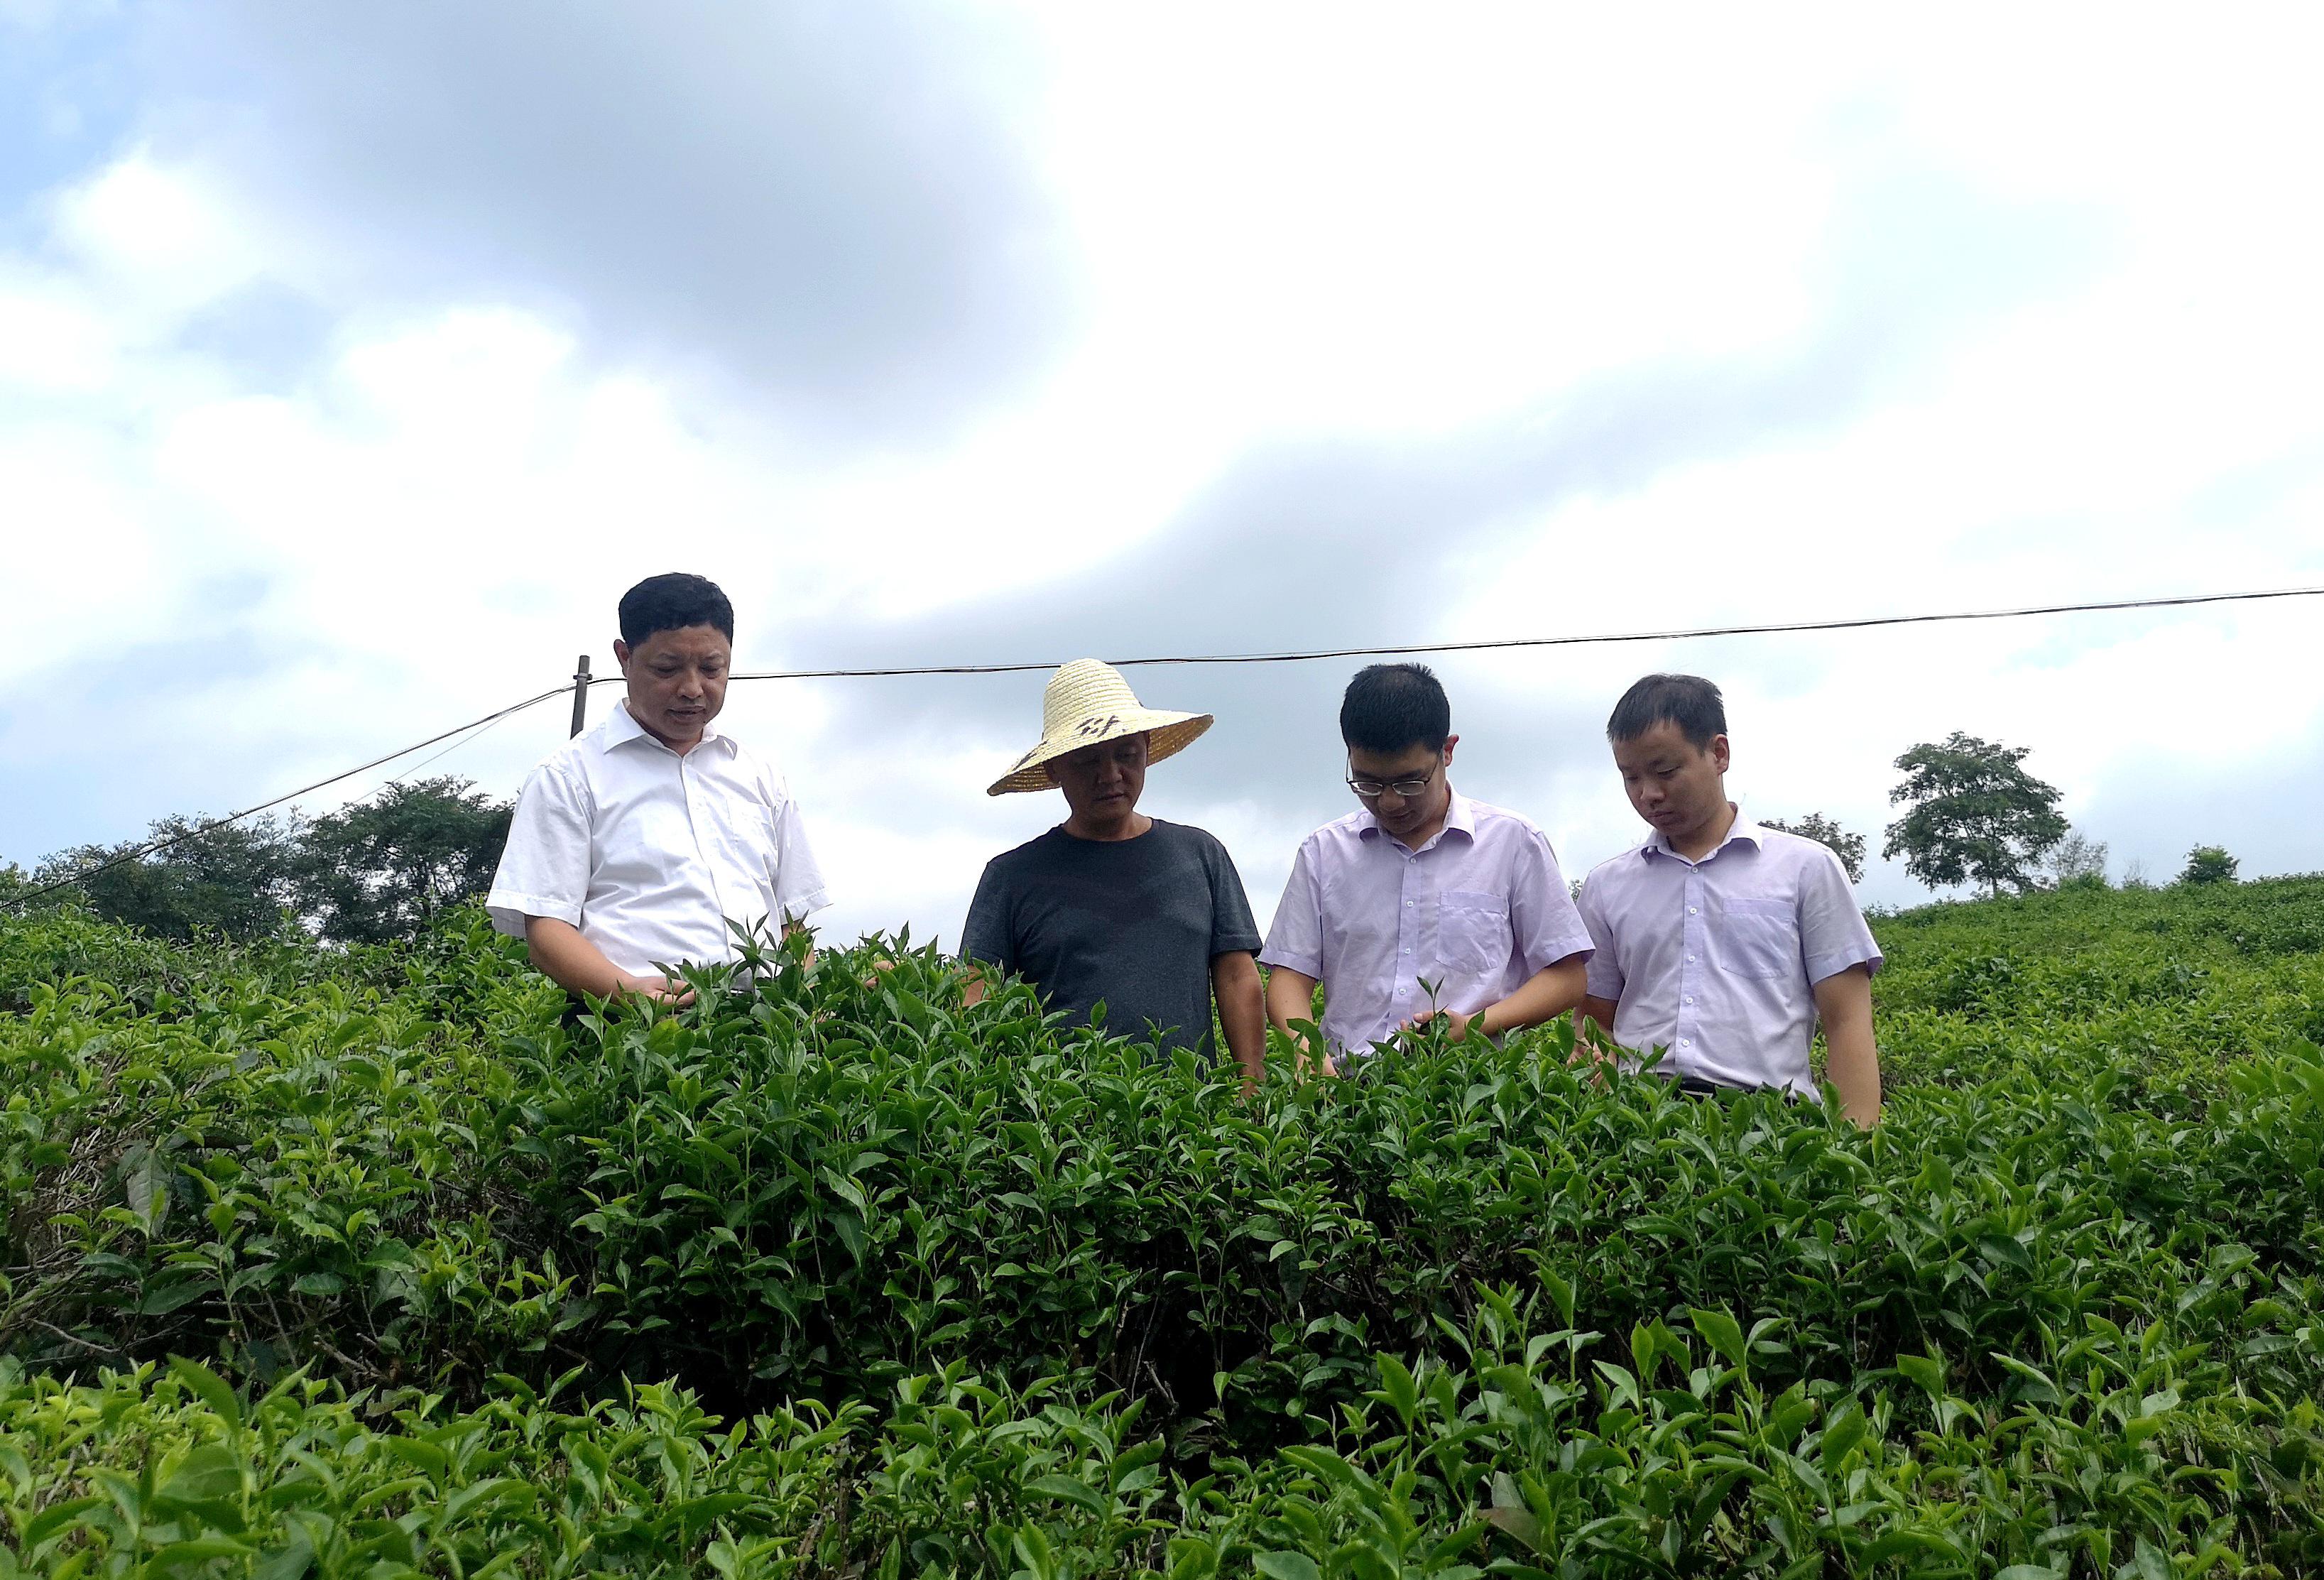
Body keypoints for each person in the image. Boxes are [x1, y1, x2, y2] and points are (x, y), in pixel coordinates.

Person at [487, 572, 829, 1008]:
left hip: (764, 1030)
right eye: (666, 669)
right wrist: (623, 990)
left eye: (711, 668)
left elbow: (791, 920)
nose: (692, 689)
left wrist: (804, 1004)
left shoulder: (759, 775)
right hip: (634, 1033)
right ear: (624, 658)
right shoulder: (569, 776)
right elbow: (546, 928)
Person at [1575, 673, 1883, 1125]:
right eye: (1631, 777)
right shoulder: (1606, 885)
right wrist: (1593, 1128)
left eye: (1665, 772)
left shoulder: (1805, 869)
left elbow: (1847, 1020)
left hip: (1770, 1123)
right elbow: (1595, 1024)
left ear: (1718, 753)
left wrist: (1857, 1148)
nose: (1649, 794)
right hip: (1641, 1121)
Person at [1260, 663, 1594, 1072]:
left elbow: (1567, 976)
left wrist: (1474, 1026)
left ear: (1448, 751)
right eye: (1368, 784)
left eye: (1409, 782)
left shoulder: (1513, 843)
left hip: (1474, 1096)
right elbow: (1290, 977)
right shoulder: (1324, 853)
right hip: (1345, 1096)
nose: (1389, 802)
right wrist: (1308, 1055)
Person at [961, 659, 1266, 1084]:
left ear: (1146, 750)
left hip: (1194, 1122)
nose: (1111, 776)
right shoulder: (1012, 877)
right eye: (1088, 761)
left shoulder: (1200, 855)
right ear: (1054, 769)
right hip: (1061, 1121)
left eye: (1126, 756)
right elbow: (978, 995)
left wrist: (1251, 1085)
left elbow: (1237, 976)